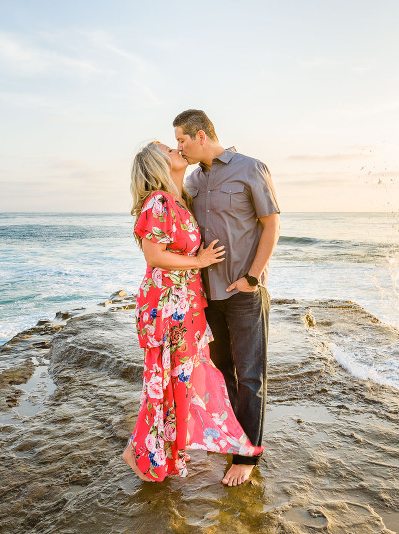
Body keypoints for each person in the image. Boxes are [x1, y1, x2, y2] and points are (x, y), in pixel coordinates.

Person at [122, 141, 264, 482]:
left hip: (185, 304)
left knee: (177, 379)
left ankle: (154, 451)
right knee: (165, 378)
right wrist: (199, 261)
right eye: (170, 149)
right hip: (168, 305)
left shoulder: (180, 200)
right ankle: (141, 453)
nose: (178, 151)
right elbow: (153, 255)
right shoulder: (158, 202)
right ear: (159, 165)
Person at [174, 110, 280, 486]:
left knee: (251, 376)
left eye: (182, 140)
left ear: (200, 135)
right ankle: (235, 439)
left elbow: (272, 225)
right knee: (223, 374)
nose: (179, 147)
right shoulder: (191, 179)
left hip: (243, 291)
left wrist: (253, 277)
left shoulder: (251, 168)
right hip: (207, 294)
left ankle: (247, 455)